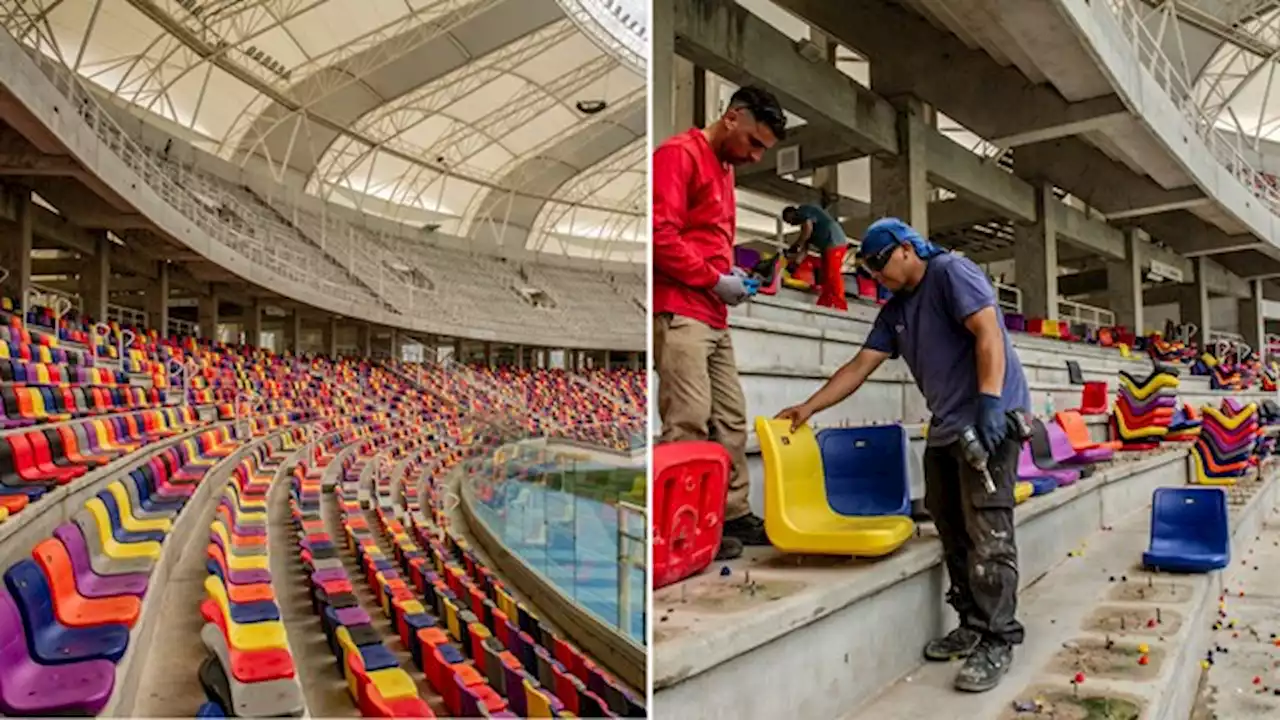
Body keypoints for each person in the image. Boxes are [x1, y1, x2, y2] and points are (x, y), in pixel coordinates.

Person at [775, 218, 1031, 693]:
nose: (876, 275)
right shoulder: (894, 313)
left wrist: (992, 402)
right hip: (948, 429)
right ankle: (972, 623)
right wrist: (809, 407)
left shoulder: (952, 272)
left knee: (989, 532)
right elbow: (859, 366)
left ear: (907, 249)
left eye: (879, 263)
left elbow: (988, 332)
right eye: (868, 270)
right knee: (951, 527)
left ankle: (999, 637)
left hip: (989, 420)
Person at [652, 85, 788, 561]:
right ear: (733, 118)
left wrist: (729, 277)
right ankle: (678, 529)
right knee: (687, 420)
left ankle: (730, 514)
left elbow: (703, 237)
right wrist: (713, 277)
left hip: (712, 310)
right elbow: (659, 235)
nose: (755, 156)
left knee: (729, 420)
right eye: (754, 142)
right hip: (682, 306)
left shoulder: (727, 168)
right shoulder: (678, 155)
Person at [781, 204, 849, 310]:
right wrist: (795, 264)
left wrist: (795, 245)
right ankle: (825, 303)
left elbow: (807, 232)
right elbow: (805, 248)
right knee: (825, 276)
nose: (791, 224)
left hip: (835, 242)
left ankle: (840, 305)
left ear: (792, 213)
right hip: (827, 248)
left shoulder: (803, 211)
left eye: (789, 220)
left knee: (832, 274)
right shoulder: (806, 225)